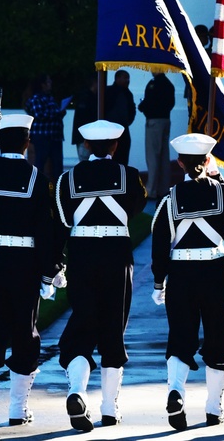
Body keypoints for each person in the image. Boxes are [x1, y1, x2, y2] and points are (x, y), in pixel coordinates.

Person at [0, 114, 67, 432]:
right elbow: (49, 232)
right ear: (27, 142)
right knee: (24, 333)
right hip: (23, 264)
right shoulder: (39, 180)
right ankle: (18, 410)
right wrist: (50, 273)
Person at [54, 119, 147, 431]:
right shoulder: (130, 176)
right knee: (112, 326)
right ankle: (109, 407)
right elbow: (136, 207)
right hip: (116, 254)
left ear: (86, 146)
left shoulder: (67, 179)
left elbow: (63, 219)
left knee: (83, 320)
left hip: (81, 254)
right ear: (116, 146)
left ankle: (78, 392)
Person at [149, 133, 224, 430]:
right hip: (214, 270)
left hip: (180, 274)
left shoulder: (169, 200)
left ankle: (176, 392)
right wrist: (215, 176)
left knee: (180, 336)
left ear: (179, 162)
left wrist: (158, 281)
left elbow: (159, 244)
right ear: (207, 160)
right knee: (217, 335)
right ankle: (214, 408)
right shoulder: (222, 194)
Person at [139, 72, 176, 199]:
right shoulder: (169, 84)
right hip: (166, 119)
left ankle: (151, 189)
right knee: (164, 156)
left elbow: (149, 102)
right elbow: (171, 104)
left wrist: (142, 106)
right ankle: (163, 188)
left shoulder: (154, 84)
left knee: (152, 156)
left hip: (154, 121)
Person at [24, 73, 67, 179]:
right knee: (40, 162)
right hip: (42, 136)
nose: (50, 83)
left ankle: (57, 186)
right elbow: (40, 115)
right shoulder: (36, 99)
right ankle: (38, 184)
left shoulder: (50, 98)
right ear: (42, 84)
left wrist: (60, 114)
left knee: (57, 164)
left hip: (55, 136)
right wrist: (58, 113)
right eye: (48, 81)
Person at [104, 70, 136, 165]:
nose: (127, 80)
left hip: (121, 130)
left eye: (128, 78)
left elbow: (132, 110)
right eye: (125, 78)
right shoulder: (109, 92)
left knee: (122, 157)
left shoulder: (127, 93)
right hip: (113, 130)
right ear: (117, 78)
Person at [71, 74, 98, 163]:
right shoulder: (88, 98)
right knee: (86, 161)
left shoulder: (85, 97)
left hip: (84, 136)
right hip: (85, 137)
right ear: (94, 84)